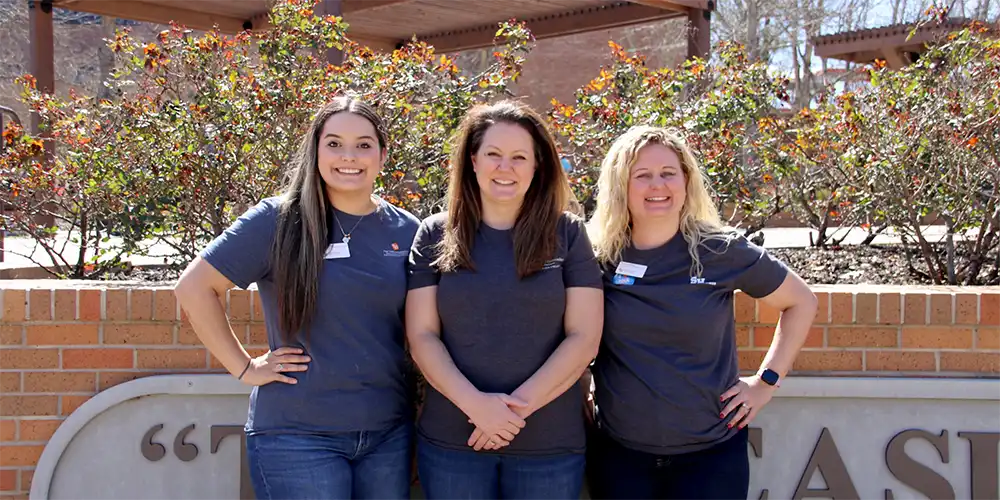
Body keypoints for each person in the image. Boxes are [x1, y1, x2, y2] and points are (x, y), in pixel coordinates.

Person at [173, 96, 420, 500]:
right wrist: (245, 368)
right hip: (296, 437)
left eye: (363, 144)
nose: (349, 157)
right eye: (334, 143)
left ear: (382, 153)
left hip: (387, 435)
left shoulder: (406, 229)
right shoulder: (277, 220)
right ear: (316, 150)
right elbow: (194, 287)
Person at [585, 126, 818, 499]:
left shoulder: (720, 251)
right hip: (621, 456)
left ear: (686, 181)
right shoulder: (598, 257)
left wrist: (765, 383)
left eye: (667, 174)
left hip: (711, 457)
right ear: (620, 187)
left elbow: (801, 301)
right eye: (641, 176)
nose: (656, 185)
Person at [404, 100, 604, 500]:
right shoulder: (434, 234)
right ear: (473, 161)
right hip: (452, 446)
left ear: (536, 166)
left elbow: (584, 338)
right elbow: (422, 336)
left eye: (518, 157)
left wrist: (509, 414)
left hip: (549, 447)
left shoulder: (567, 234)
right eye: (493, 154)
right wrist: (477, 407)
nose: (504, 167)